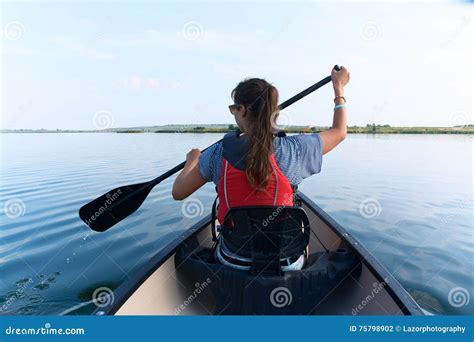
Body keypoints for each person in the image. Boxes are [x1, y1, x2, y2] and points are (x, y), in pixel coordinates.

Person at [172, 66, 350, 270]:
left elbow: (178, 192)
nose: (233, 113)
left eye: (233, 108)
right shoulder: (295, 150)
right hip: (287, 263)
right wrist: (339, 88)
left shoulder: (217, 153)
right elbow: (339, 132)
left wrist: (191, 161)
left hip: (232, 261)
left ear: (244, 110)